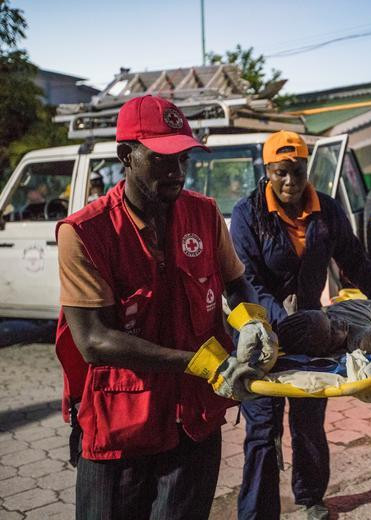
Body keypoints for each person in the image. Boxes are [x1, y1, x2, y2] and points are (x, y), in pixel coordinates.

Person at [55, 95, 268, 519]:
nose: (176, 172)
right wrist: (203, 363)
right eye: (161, 159)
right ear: (126, 156)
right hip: (121, 428)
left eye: (183, 158)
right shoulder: (84, 233)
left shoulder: (205, 215)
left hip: (195, 421)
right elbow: (95, 341)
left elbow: (236, 286)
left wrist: (252, 325)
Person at [230, 130, 371, 520]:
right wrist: (283, 323)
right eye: (280, 172)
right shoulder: (248, 213)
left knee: (309, 423)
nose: (290, 181)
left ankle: (310, 499)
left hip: (312, 337)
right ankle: (257, 513)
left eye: (298, 171)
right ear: (267, 170)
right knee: (262, 428)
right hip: (260, 335)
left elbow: (356, 262)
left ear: (308, 168)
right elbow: (246, 281)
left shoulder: (327, 210)